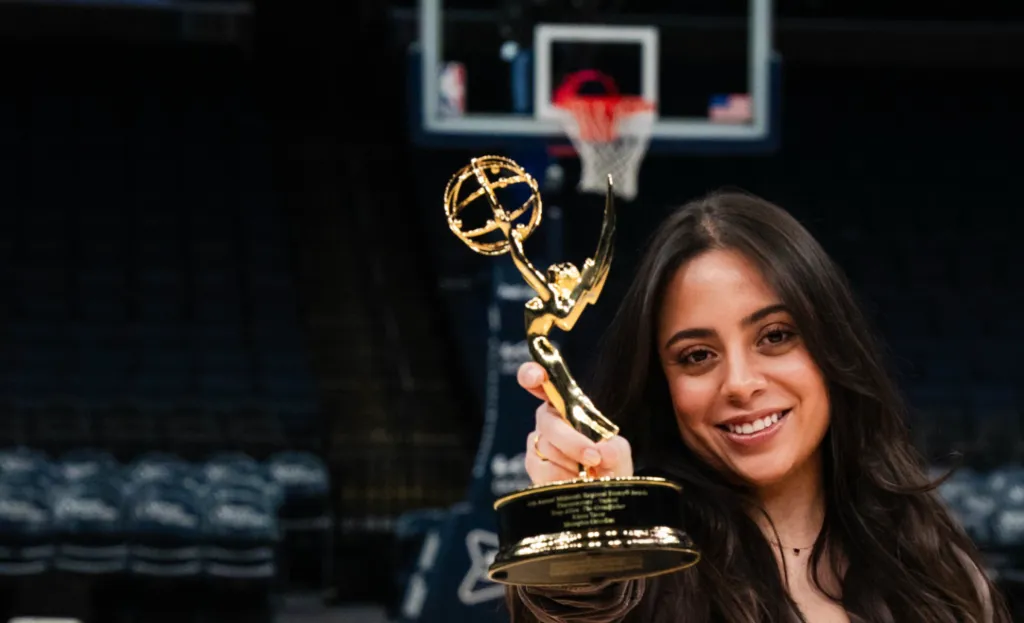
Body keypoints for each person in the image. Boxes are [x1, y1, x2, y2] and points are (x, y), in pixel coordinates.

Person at [506, 191, 1008, 622]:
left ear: (832, 345)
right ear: (662, 385)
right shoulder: (643, 581)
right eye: (697, 356)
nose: (741, 384)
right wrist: (587, 540)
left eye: (775, 336)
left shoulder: (937, 572)